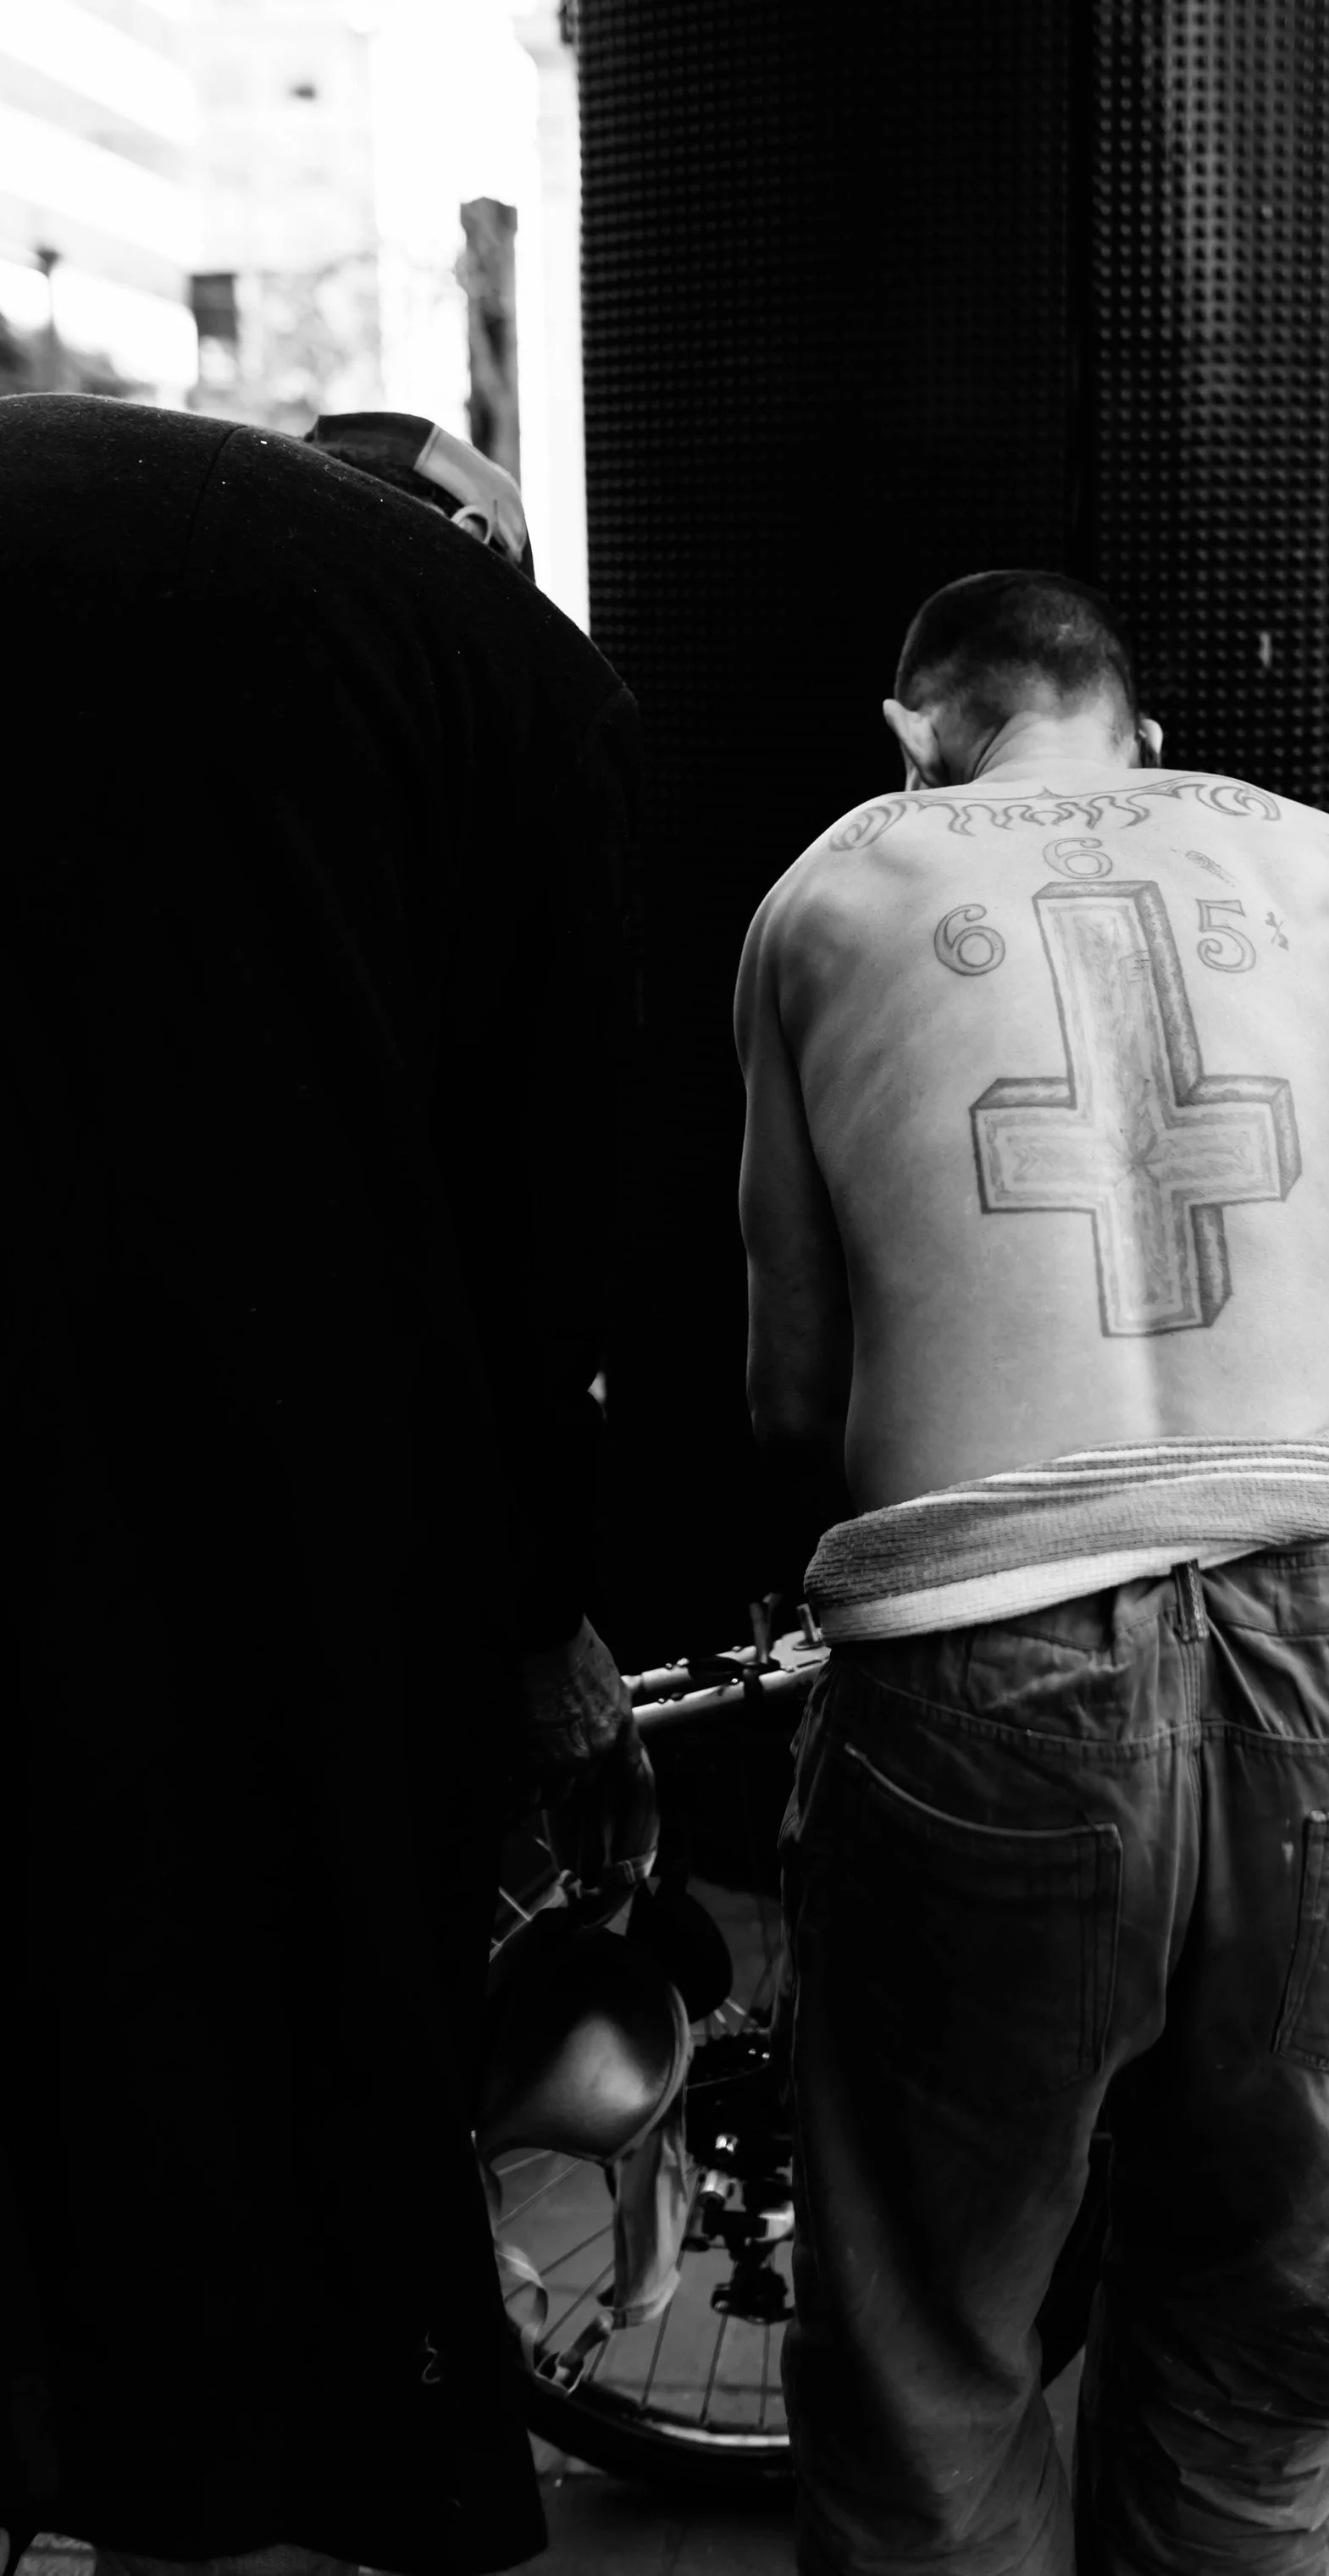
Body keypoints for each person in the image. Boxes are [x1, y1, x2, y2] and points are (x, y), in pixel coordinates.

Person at [736, 569, 1329, 2573]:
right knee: (1267, 2343)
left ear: (915, 732)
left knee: (929, 2344)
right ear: (1138, 732)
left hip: (985, 1648)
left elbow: (784, 1388)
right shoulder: (1310, 857)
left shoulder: (827, 890)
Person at [0, 394, 642, 2576]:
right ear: (476, 531)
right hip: (257, 1480)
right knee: (249, 2033)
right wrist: (543, 1616)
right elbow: (552, 1226)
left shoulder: (114, 514)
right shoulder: (512, 675)